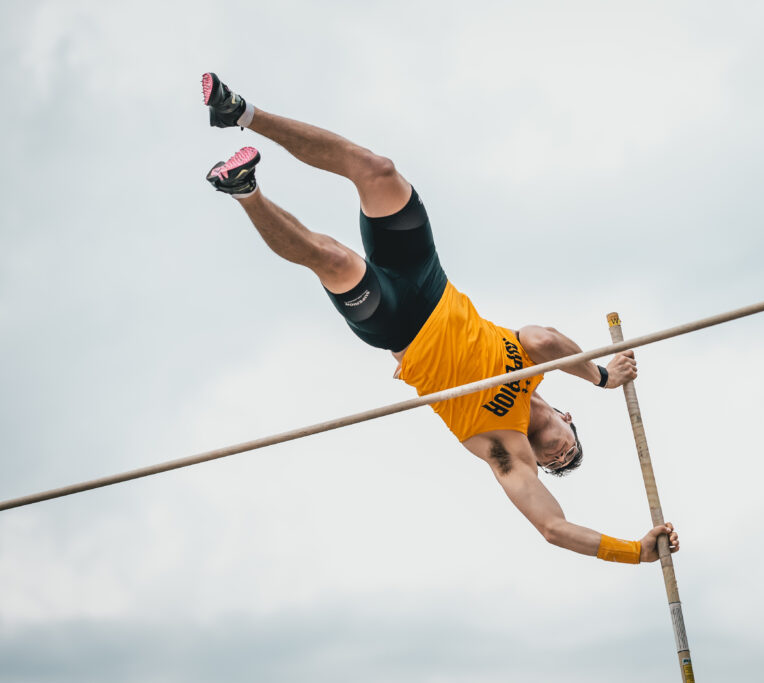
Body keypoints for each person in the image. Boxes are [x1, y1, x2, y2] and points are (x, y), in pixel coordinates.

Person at [201, 73, 679, 564]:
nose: (559, 457)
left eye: (556, 465)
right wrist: (601, 376)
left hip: (398, 325)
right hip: (429, 282)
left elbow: (554, 529)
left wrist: (635, 552)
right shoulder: (533, 357)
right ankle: (240, 113)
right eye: (570, 451)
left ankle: (245, 189)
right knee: (376, 169)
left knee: (333, 259)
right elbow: (547, 338)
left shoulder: (505, 449)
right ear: (567, 418)